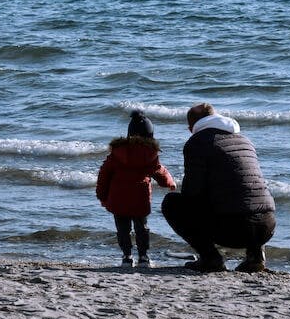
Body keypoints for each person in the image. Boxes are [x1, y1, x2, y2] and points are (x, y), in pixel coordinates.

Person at [161, 103, 275, 273]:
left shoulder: (197, 142)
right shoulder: (244, 140)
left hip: (233, 230)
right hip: (267, 227)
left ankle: (210, 258)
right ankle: (255, 257)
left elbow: (192, 191)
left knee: (171, 203)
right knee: (249, 195)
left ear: (192, 126)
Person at [97, 110, 176, 267]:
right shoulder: (150, 154)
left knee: (122, 229)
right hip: (140, 198)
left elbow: (104, 175)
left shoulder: (117, 153)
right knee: (142, 228)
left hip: (118, 197)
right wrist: (169, 182)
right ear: (150, 135)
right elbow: (159, 171)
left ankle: (126, 257)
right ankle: (143, 257)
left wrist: (102, 196)